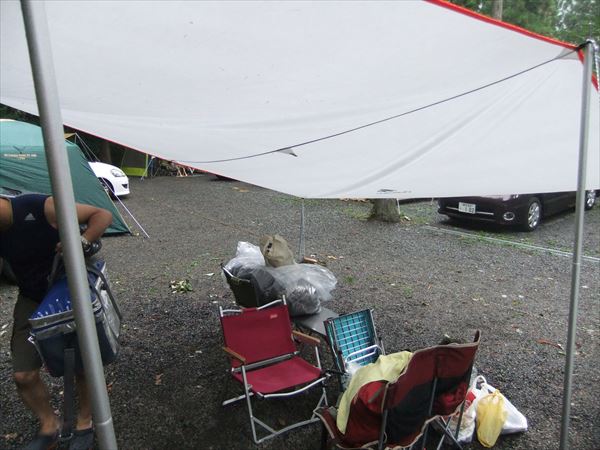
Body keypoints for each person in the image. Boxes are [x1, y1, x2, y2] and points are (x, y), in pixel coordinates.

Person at [0, 193, 113, 450]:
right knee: (23, 374)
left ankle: (85, 420)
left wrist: (81, 241)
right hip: (31, 297)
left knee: (82, 362)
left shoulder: (42, 207)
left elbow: (102, 215)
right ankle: (50, 426)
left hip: (68, 289)